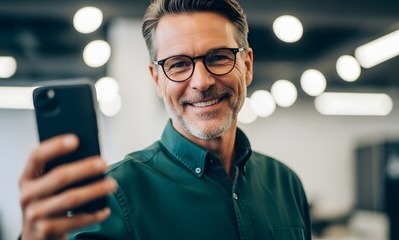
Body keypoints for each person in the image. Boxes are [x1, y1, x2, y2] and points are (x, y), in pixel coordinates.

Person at [19, 0, 312, 239]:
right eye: (179, 64)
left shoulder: (286, 184)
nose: (201, 81)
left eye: (219, 57)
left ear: (246, 66)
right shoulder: (115, 195)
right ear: (157, 79)